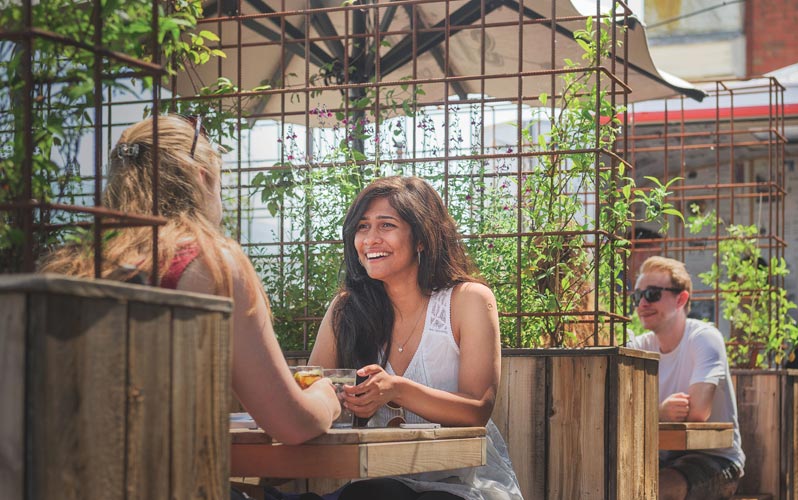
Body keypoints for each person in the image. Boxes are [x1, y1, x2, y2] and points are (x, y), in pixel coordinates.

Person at [40, 116, 342, 445]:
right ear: (202, 178)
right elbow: (291, 424)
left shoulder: (73, 266)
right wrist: (325, 399)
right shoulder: (211, 265)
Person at [309, 176, 523, 500]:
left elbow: (477, 408)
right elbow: (314, 386)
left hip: (463, 482)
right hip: (379, 479)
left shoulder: (468, 300)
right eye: (362, 227)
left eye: (386, 225)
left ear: (421, 238)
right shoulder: (346, 309)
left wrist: (396, 389)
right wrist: (341, 398)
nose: (370, 240)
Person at [626, 256, 744, 500]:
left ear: (681, 299)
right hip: (662, 460)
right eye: (638, 296)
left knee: (651, 491)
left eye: (653, 294)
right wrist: (660, 412)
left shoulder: (703, 337)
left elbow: (699, 411)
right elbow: (624, 411)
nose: (643, 303)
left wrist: (652, 413)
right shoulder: (640, 346)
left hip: (716, 460)